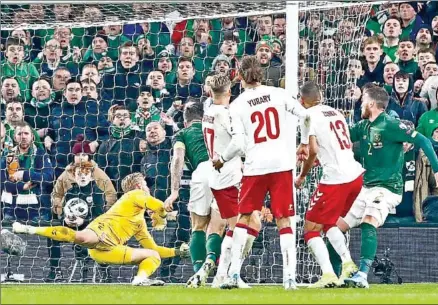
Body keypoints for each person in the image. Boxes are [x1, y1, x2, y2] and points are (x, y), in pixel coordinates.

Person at [338, 86, 438, 288]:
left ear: (372, 103)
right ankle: (336, 274)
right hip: (365, 188)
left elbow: (423, 140)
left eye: (364, 100)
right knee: (336, 227)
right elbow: (341, 138)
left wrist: (437, 170)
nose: (361, 104)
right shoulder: (363, 126)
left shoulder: (391, 125)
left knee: (369, 221)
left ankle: (362, 276)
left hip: (387, 188)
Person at [214, 56, 310, 290]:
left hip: (256, 166)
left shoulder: (237, 105)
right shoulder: (278, 94)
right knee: (284, 219)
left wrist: (222, 159)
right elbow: (306, 116)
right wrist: (305, 143)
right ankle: (289, 278)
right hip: (281, 164)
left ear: (240, 76)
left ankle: (234, 274)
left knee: (244, 218)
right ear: (262, 74)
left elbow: (237, 142)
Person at [12, 173, 190, 286]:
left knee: (153, 256)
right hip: (101, 230)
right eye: (145, 184)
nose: (148, 188)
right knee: (79, 237)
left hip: (108, 251)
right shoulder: (133, 195)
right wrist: (162, 218)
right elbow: (159, 206)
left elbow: (155, 249)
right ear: (138, 187)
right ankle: (29, 229)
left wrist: (177, 252)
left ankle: (140, 279)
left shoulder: (139, 222)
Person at [294, 81, 363, 288]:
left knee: (310, 229)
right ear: (321, 96)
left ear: (301, 101)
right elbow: (339, 145)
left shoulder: (307, 117)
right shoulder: (336, 113)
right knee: (329, 222)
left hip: (336, 180)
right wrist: (320, 159)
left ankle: (328, 275)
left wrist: (302, 176)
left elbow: (312, 150)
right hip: (355, 176)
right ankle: (348, 263)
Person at [197, 74, 261, 288]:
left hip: (221, 178)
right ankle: (232, 275)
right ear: (229, 93)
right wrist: (225, 158)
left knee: (246, 225)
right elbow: (240, 144)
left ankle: (221, 275)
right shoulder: (225, 114)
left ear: (209, 92)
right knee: (242, 226)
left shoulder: (208, 111)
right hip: (228, 178)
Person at [163, 102, 226, 288]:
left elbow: (177, 159)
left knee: (198, 227)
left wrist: (174, 191)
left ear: (185, 119)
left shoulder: (181, 134)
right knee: (218, 227)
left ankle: (199, 271)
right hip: (225, 171)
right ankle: (213, 262)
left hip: (202, 172)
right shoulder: (214, 127)